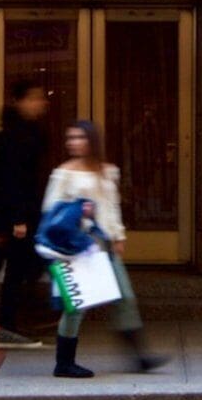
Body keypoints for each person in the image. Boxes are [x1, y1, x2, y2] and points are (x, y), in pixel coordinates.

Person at [37, 118, 163, 378]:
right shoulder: (64, 173)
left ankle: (140, 356)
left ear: (92, 141)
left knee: (125, 297)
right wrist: (78, 218)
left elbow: (111, 206)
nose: (73, 143)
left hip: (104, 246)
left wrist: (119, 235)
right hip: (75, 249)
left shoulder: (106, 171)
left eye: (79, 137)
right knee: (76, 306)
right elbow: (51, 212)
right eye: (70, 138)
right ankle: (64, 362)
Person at [0, 78, 54, 345]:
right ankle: (6, 324)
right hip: (11, 216)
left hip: (13, 213)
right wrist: (17, 219)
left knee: (0, 265)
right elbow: (11, 179)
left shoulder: (27, 131)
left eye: (41, 98)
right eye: (34, 98)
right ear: (19, 101)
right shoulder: (15, 135)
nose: (40, 103)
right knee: (13, 269)